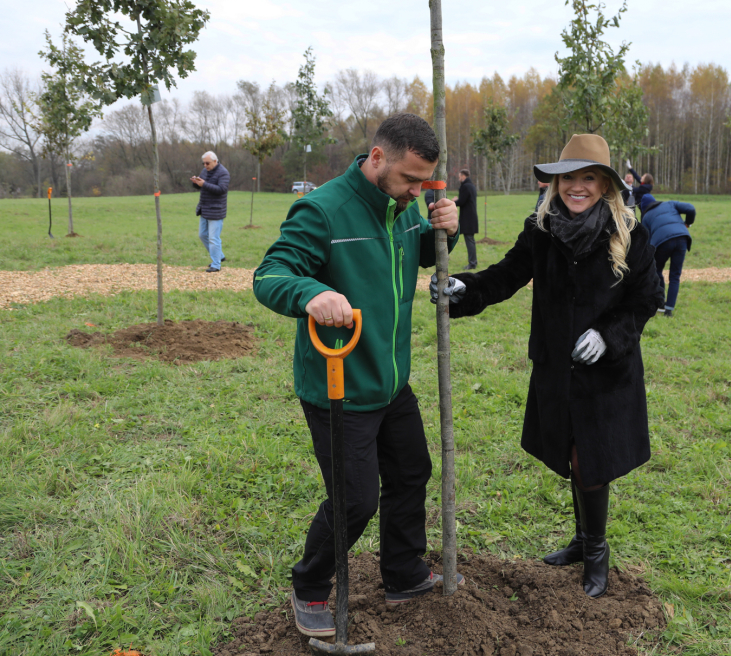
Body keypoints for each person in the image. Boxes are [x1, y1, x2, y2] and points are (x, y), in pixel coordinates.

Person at [252, 113, 463, 640]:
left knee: (412, 472)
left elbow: (409, 260)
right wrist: (310, 293)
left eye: (424, 181)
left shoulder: (405, 211)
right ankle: (310, 586)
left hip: (391, 380)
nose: (417, 191)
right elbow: (270, 274)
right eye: (409, 179)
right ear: (376, 159)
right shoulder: (324, 210)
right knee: (356, 500)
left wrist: (445, 234)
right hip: (338, 386)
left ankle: (403, 572)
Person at [432, 133, 661, 599]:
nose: (577, 187)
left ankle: (596, 550)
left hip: (606, 374)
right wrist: (464, 288)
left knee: (591, 461)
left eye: (588, 179)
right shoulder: (541, 228)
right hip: (557, 368)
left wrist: (607, 335)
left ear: (606, 185)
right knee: (573, 455)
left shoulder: (630, 233)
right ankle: (581, 540)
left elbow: (648, 298)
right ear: (556, 184)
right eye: (568, 179)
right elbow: (507, 275)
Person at [639, 193, 695, 318]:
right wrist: (688, 223)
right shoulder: (670, 204)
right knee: (675, 275)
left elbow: (646, 240)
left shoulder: (646, 216)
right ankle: (669, 310)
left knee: (657, 271)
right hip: (682, 238)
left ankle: (661, 302)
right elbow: (690, 208)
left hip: (662, 243)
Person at [190, 151, 230, 272]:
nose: (205, 166)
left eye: (207, 163)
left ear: (215, 161)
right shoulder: (204, 171)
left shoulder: (223, 173)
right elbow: (201, 186)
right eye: (204, 163)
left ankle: (216, 265)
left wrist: (204, 184)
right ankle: (220, 256)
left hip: (216, 210)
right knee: (202, 235)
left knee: (214, 238)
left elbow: (221, 189)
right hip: (205, 208)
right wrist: (196, 183)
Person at [456, 168, 479, 269]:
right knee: (471, 240)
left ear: (463, 176)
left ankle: (472, 263)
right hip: (472, 217)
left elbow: (462, 201)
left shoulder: (465, 186)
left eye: (459, 176)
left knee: (469, 240)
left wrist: (453, 202)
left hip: (468, 218)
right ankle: (473, 261)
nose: (459, 178)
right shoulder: (471, 186)